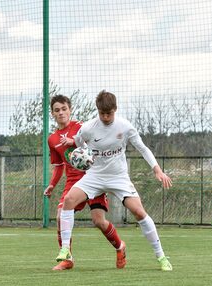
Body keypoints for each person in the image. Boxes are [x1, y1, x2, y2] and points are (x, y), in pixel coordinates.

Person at [56, 90, 173, 271]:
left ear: (115, 109)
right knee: (69, 200)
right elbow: (79, 142)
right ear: (98, 110)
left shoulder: (125, 127)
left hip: (118, 177)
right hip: (95, 176)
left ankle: (162, 257)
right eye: (102, 113)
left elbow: (142, 148)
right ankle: (65, 250)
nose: (105, 117)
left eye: (109, 113)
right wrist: (84, 157)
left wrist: (157, 169)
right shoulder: (88, 128)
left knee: (139, 212)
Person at [44, 94, 126, 271]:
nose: (61, 113)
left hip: (93, 177)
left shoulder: (83, 127)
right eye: (57, 110)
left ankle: (120, 247)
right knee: (60, 216)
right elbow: (58, 166)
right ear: (52, 113)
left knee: (99, 221)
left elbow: (101, 142)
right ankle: (67, 258)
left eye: (64, 109)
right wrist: (52, 184)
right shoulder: (52, 139)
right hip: (73, 182)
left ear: (70, 109)